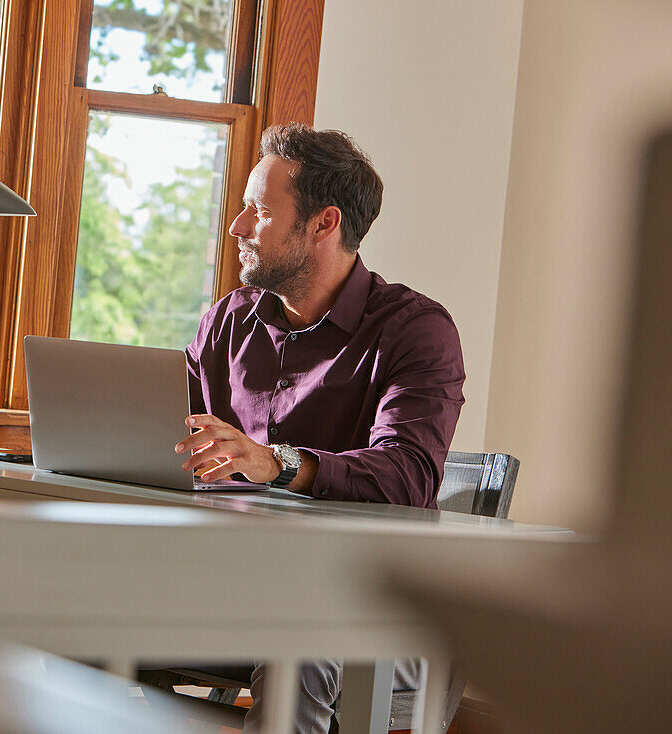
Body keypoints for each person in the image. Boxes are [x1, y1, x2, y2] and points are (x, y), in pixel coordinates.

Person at [174, 124, 465, 733]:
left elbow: (408, 475)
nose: (236, 227)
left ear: (323, 224)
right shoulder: (227, 322)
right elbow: (177, 445)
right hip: (227, 584)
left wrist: (277, 461)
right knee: (68, 609)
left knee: (299, 632)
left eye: (259, 210)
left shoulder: (416, 330)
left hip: (363, 603)